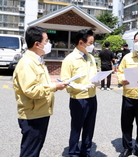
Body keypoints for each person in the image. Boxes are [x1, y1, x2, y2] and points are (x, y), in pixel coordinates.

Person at [13, 26, 68, 157]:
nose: (49, 44)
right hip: (32, 115)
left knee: (34, 150)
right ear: (37, 44)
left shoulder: (37, 61)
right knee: (30, 152)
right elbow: (31, 90)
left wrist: (54, 84)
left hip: (39, 112)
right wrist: (54, 87)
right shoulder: (27, 63)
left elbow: (40, 84)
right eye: (47, 41)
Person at [60, 29, 98, 157]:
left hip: (92, 97)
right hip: (78, 99)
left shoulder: (91, 57)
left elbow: (94, 73)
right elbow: (65, 82)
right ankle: (74, 153)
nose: (93, 45)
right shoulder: (69, 59)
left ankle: (85, 151)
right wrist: (80, 87)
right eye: (91, 42)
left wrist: (97, 79)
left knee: (89, 127)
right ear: (81, 42)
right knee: (76, 128)